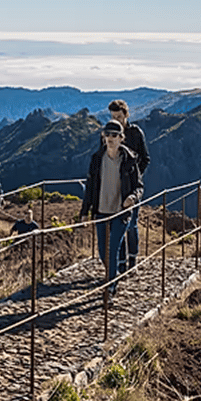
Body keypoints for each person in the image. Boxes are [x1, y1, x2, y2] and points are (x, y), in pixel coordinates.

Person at [79, 118, 144, 295]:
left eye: (114, 135)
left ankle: (111, 286)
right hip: (101, 211)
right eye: (107, 134)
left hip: (120, 213)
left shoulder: (130, 160)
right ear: (103, 136)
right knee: (102, 251)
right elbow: (90, 187)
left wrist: (132, 197)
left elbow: (139, 187)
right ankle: (112, 275)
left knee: (113, 248)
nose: (110, 138)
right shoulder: (97, 159)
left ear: (121, 138)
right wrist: (84, 212)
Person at [108, 99, 149, 273]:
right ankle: (121, 263)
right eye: (113, 117)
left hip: (132, 189)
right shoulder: (109, 133)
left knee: (131, 224)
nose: (116, 120)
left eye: (119, 117)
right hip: (114, 187)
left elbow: (145, 158)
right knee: (118, 226)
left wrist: (135, 177)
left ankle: (133, 259)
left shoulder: (136, 133)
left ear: (126, 115)